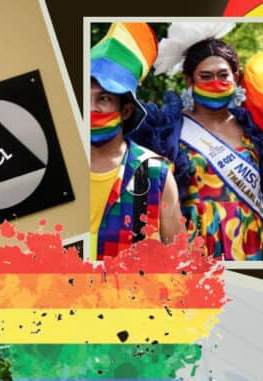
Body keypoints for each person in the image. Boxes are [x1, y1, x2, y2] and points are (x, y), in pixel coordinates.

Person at [134, 24, 263, 260]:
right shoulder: (166, 128)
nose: (216, 82)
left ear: (236, 77)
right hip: (195, 239)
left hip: (252, 238)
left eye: (223, 75)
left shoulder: (256, 128)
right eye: (205, 76)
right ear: (188, 80)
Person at [90, 23, 183, 260]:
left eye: (104, 98)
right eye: (84, 97)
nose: (91, 107)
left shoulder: (155, 174)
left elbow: (180, 261)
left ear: (127, 110)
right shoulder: (60, 166)